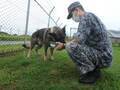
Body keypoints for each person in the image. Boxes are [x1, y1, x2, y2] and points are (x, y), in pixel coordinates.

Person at [56, 1, 112, 84]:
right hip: (104, 55)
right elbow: (82, 40)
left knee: (71, 46)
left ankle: (91, 73)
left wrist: (64, 45)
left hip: (103, 56)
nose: (72, 18)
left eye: (72, 15)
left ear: (77, 10)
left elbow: (78, 40)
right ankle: (94, 69)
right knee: (72, 45)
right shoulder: (90, 16)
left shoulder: (86, 17)